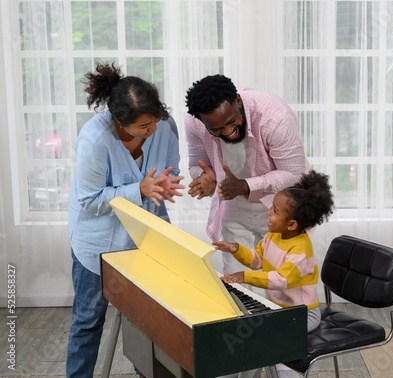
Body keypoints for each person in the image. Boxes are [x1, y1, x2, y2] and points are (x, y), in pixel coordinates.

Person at [66, 62, 185, 378]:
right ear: (120, 122)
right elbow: (89, 200)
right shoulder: (94, 141)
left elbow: (170, 166)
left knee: (151, 319)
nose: (154, 130)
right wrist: (139, 188)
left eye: (156, 119)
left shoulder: (165, 125)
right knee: (89, 320)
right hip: (98, 244)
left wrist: (164, 183)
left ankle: (145, 371)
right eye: (145, 126)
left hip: (147, 240)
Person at [185, 74, 310, 275]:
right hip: (233, 203)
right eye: (216, 129)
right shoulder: (194, 122)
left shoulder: (275, 117)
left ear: (238, 100)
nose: (228, 132)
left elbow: (295, 173)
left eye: (232, 121)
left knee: (282, 282)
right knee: (237, 279)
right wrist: (205, 177)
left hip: (281, 205)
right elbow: (197, 165)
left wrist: (245, 186)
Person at [213, 170, 334, 378]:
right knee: (245, 338)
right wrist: (236, 249)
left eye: (275, 210)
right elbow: (257, 259)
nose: (269, 212)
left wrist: (244, 277)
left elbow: (282, 281)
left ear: (292, 224)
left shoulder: (300, 250)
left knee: (260, 341)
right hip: (276, 308)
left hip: (302, 314)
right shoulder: (274, 235)